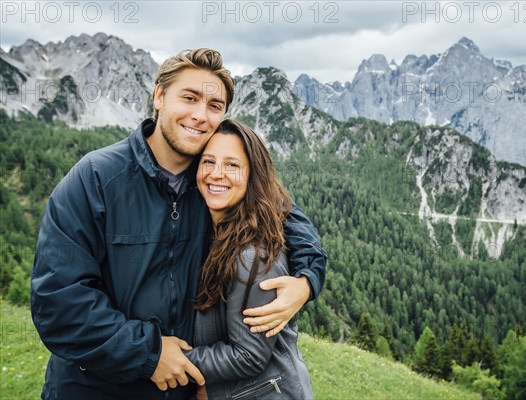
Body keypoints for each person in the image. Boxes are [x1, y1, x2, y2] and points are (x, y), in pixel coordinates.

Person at [30, 48, 326, 400]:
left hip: (182, 390)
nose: (200, 115)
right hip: (93, 389)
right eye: (189, 97)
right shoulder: (95, 178)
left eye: (214, 106)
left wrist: (308, 280)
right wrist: (149, 352)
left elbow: (284, 216)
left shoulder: (214, 182)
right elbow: (58, 302)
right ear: (159, 96)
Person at [185, 119, 312, 399]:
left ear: (253, 175)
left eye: (232, 165)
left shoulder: (253, 256)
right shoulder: (216, 234)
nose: (217, 174)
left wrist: (177, 359)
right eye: (208, 162)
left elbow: (249, 355)